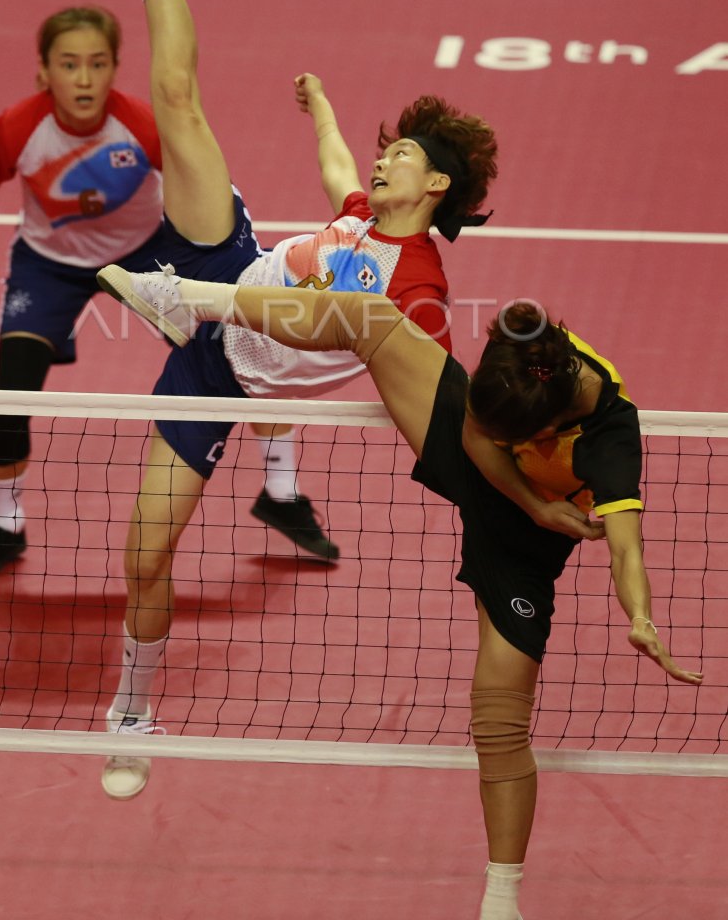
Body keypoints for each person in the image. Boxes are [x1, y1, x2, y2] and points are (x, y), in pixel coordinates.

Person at [82, 0, 498, 799]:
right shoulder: (365, 214)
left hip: (217, 363)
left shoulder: (417, 289)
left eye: (405, 153)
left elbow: (347, 340)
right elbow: (339, 177)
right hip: (225, 270)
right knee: (176, 97)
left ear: (432, 188)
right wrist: (323, 118)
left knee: (148, 555)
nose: (386, 154)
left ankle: (184, 301)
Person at [107, 275, 703, 919]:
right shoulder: (522, 351)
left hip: (523, 546)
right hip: (503, 482)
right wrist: (531, 493)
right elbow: (476, 433)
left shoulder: (612, 441)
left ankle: (502, 900)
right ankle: (189, 298)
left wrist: (640, 617)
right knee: (367, 317)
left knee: (499, 722)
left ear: (551, 424)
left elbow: (625, 549)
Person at [0, 5, 316, 580]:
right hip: (48, 265)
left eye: (96, 64)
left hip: (145, 251)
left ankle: (282, 492)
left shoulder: (140, 125)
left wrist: (234, 261)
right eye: (69, 65)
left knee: (239, 345)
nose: (84, 79)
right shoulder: (17, 129)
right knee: (11, 395)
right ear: (44, 71)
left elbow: (205, 184)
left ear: (115, 67)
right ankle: (4, 524)